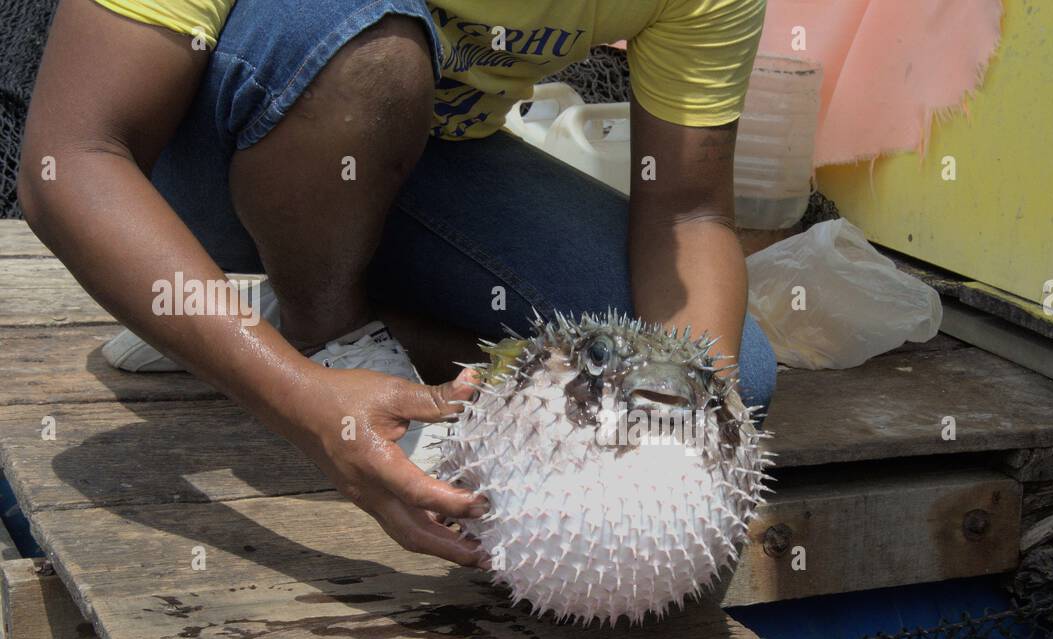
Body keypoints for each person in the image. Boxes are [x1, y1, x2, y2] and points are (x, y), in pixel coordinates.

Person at [18, 0, 777, 569]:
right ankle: (324, 334)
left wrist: (699, 408)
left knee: (715, 372)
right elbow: (70, 158)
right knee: (373, 54)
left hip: (414, 154)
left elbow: (687, 210)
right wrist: (306, 403)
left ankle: (269, 313)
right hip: (196, 153)